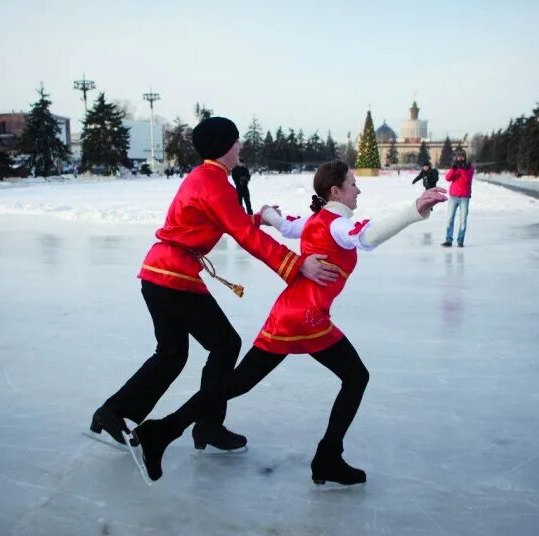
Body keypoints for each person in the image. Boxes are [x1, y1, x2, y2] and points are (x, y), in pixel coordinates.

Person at [132, 160, 448, 485]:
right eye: (353, 184)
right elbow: (370, 235)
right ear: (336, 190)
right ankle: (328, 458)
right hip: (307, 318)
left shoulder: (316, 220)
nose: (358, 190)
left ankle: (161, 431)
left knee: (239, 382)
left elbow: (287, 226)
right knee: (356, 377)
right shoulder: (338, 226)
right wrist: (416, 208)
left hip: (287, 313)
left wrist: (268, 215)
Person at [89, 117, 339, 452]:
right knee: (224, 344)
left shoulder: (203, 178)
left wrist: (257, 218)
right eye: (237, 141)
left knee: (172, 354)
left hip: (158, 273)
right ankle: (206, 426)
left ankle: (114, 412)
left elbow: (223, 221)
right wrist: (295, 264)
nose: (241, 147)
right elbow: (243, 235)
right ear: (226, 147)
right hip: (173, 278)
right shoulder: (215, 183)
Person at [441, 149, 474, 248]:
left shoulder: (469, 167)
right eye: (458, 157)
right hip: (453, 196)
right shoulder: (455, 166)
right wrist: (454, 169)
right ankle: (448, 240)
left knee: (463, 220)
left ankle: (460, 241)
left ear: (465, 157)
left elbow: (467, 180)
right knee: (450, 219)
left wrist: (462, 169)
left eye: (462, 156)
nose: (460, 158)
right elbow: (447, 178)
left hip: (464, 197)